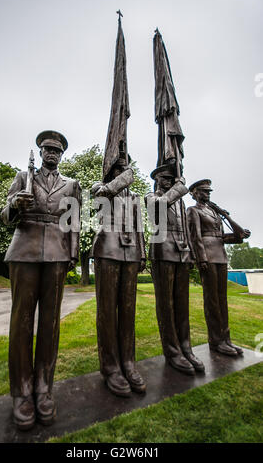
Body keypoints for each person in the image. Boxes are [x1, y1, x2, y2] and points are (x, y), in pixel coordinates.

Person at [1, 130, 81, 430]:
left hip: (57, 255)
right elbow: (4, 215)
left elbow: (73, 221)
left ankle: (43, 388)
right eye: (47, 149)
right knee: (21, 323)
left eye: (56, 151)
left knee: (50, 323)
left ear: (61, 155)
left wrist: (72, 254)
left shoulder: (71, 184)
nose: (51, 154)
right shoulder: (24, 176)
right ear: (41, 151)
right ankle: (21, 392)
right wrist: (14, 205)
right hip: (25, 249)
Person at [91, 150, 146, 397]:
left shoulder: (134, 196)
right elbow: (96, 203)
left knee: (127, 310)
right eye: (118, 167)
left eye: (126, 166)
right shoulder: (101, 188)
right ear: (111, 170)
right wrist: (112, 183)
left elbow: (140, 227)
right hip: (108, 249)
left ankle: (129, 363)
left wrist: (142, 253)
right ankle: (111, 367)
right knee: (106, 311)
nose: (123, 170)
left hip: (131, 251)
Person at [145, 159, 204, 375]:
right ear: (157, 181)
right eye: (165, 179)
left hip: (182, 252)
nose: (169, 182)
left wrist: (191, 252)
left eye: (172, 179)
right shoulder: (152, 197)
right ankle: (172, 351)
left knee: (182, 303)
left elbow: (186, 230)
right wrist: (180, 188)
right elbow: (159, 207)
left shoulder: (179, 202)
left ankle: (185, 347)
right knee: (166, 304)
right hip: (163, 251)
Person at [187, 179, 250, 356]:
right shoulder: (193, 210)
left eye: (209, 192)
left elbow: (221, 236)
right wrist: (201, 258)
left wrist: (238, 233)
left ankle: (226, 339)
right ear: (195, 193)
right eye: (204, 191)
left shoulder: (215, 212)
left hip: (220, 256)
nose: (207, 194)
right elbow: (195, 237)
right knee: (212, 300)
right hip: (207, 256)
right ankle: (216, 341)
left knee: (222, 300)